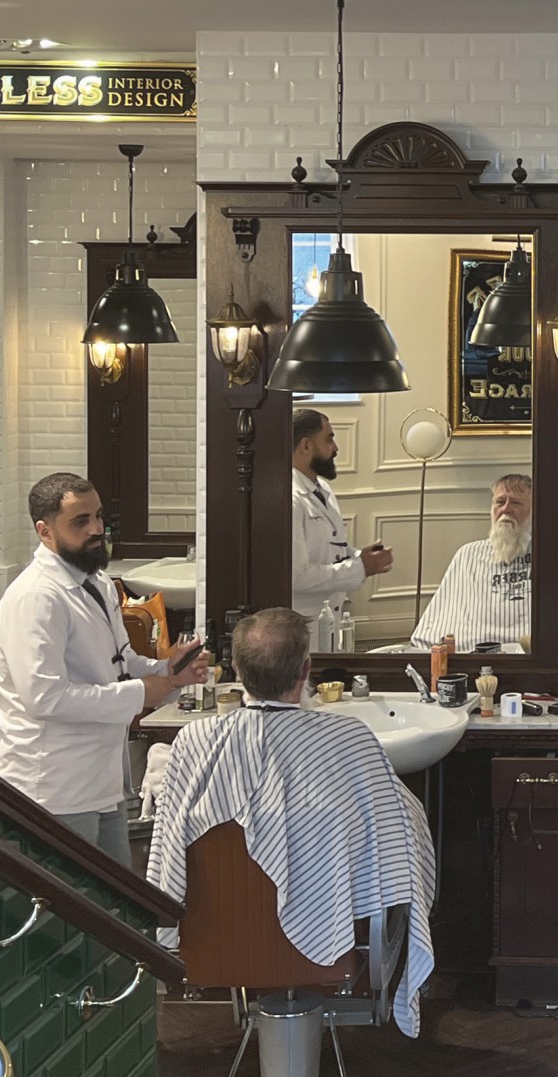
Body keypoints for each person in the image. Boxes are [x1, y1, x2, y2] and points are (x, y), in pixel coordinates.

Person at [145, 608, 437, 1035]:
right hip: (333, 947)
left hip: (218, 942)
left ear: (239, 671)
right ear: (307, 669)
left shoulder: (194, 742)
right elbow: (396, 848)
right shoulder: (349, 739)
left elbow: (167, 859)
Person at [0, 473, 209, 864]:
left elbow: (119, 663)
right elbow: (44, 698)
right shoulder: (35, 598)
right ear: (44, 531)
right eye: (80, 521)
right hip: (53, 787)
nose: (96, 529)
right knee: (70, 910)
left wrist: (168, 669)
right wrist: (144, 692)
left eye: (98, 516)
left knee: (114, 903)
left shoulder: (98, 582)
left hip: (102, 779)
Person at [409, 474, 533, 650]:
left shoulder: (548, 554)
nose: (506, 509)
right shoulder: (468, 554)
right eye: (500, 502)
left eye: (516, 503)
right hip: (473, 653)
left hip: (528, 654)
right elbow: (437, 621)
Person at [291, 408, 392, 617]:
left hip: (330, 616)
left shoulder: (323, 489)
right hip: (302, 622)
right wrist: (360, 567)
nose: (336, 448)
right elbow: (297, 576)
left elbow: (331, 549)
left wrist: (360, 555)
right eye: (329, 440)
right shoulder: (290, 500)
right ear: (306, 446)